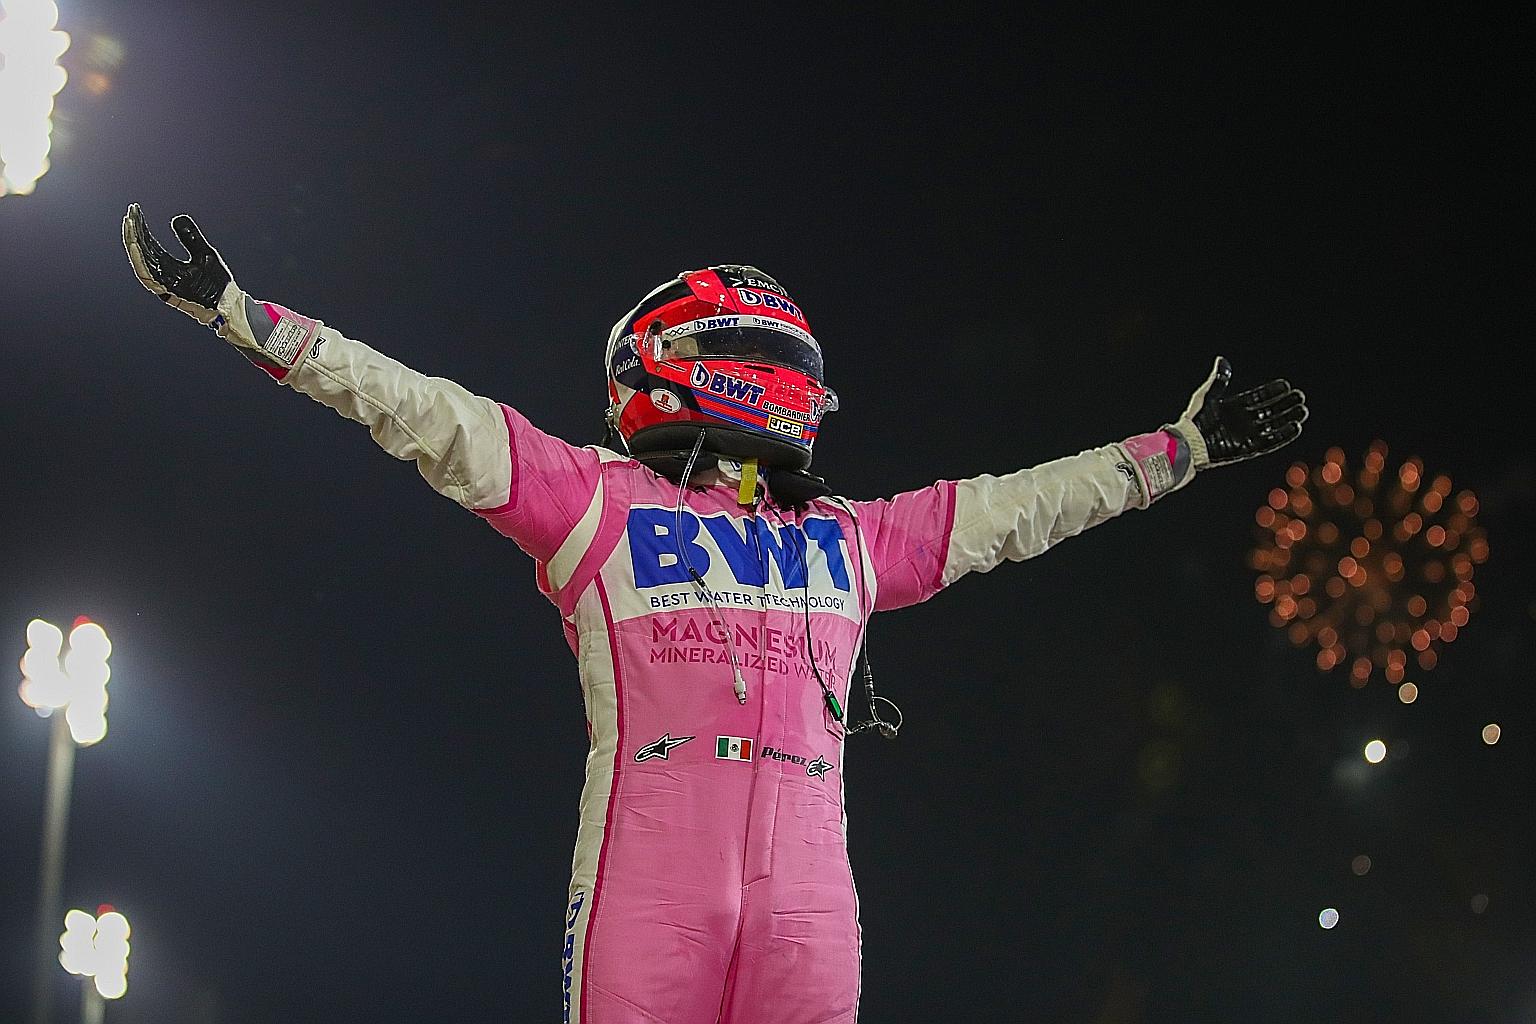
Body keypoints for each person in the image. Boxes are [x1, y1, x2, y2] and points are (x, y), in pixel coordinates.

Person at [122, 204, 1307, 1024]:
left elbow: (1020, 508)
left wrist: (1182, 451)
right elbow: (422, 412)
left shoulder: (835, 534)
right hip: (686, 877)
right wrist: (244, 314)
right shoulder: (602, 501)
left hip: (768, 882)